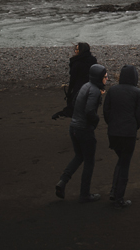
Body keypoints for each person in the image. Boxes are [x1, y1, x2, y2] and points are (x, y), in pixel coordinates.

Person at [55, 64, 108, 203]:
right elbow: (90, 111)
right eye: (105, 76)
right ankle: (85, 194)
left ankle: (63, 181)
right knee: (89, 162)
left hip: (73, 127)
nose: (107, 79)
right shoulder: (95, 90)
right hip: (84, 130)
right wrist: (96, 121)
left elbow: (76, 102)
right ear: (99, 77)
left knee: (79, 156)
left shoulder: (86, 86)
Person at [103, 65, 140, 208]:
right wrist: (134, 126)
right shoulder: (137, 92)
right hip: (128, 134)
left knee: (121, 160)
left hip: (113, 133)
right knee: (125, 163)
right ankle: (118, 197)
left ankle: (114, 191)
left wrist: (112, 124)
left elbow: (106, 110)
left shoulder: (113, 90)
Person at [52, 42, 98, 120]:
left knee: (76, 105)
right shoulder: (92, 60)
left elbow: (73, 78)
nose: (75, 51)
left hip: (79, 86)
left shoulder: (76, 61)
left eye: (77, 49)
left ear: (81, 50)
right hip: (90, 86)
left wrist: (69, 92)